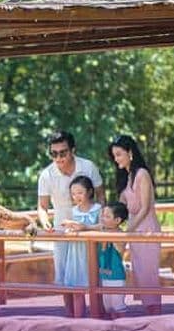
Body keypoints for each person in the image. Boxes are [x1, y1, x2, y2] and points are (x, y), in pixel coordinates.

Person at [37, 131, 104, 316]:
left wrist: (102, 222)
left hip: (89, 227)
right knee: (65, 276)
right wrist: (45, 223)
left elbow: (101, 195)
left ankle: (98, 314)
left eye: (63, 152)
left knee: (94, 272)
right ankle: (71, 318)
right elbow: (42, 207)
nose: (58, 158)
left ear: (72, 150)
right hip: (61, 230)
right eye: (54, 153)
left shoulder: (88, 167)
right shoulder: (46, 175)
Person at [108, 134, 162, 315]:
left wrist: (127, 232)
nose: (116, 159)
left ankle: (156, 318)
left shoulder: (142, 174)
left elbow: (146, 208)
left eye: (119, 154)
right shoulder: (127, 176)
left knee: (149, 275)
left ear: (130, 153)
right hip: (134, 231)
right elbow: (121, 208)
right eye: (114, 156)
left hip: (146, 229)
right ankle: (151, 315)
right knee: (140, 273)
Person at [60, 176, 101, 318]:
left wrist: (85, 227)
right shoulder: (73, 211)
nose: (76, 196)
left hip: (92, 251)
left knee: (96, 287)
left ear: (89, 192)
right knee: (77, 288)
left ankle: (98, 317)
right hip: (76, 252)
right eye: (73, 193)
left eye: (80, 192)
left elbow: (103, 226)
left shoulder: (98, 209)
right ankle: (79, 320)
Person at [98, 202, 129, 319]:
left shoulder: (120, 234)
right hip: (104, 275)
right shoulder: (101, 231)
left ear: (117, 220)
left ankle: (122, 328)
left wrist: (108, 235)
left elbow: (120, 248)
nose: (103, 219)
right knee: (108, 306)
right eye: (103, 215)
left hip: (116, 276)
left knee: (118, 306)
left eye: (107, 216)